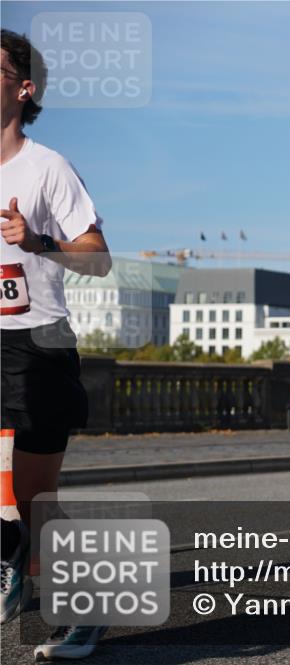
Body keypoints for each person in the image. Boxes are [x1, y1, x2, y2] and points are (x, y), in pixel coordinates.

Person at [1, 29, 112, 659]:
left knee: (37, 504)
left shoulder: (48, 169)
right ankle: (12, 552)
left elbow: (98, 259)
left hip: (35, 345)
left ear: (23, 88)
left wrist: (37, 241)